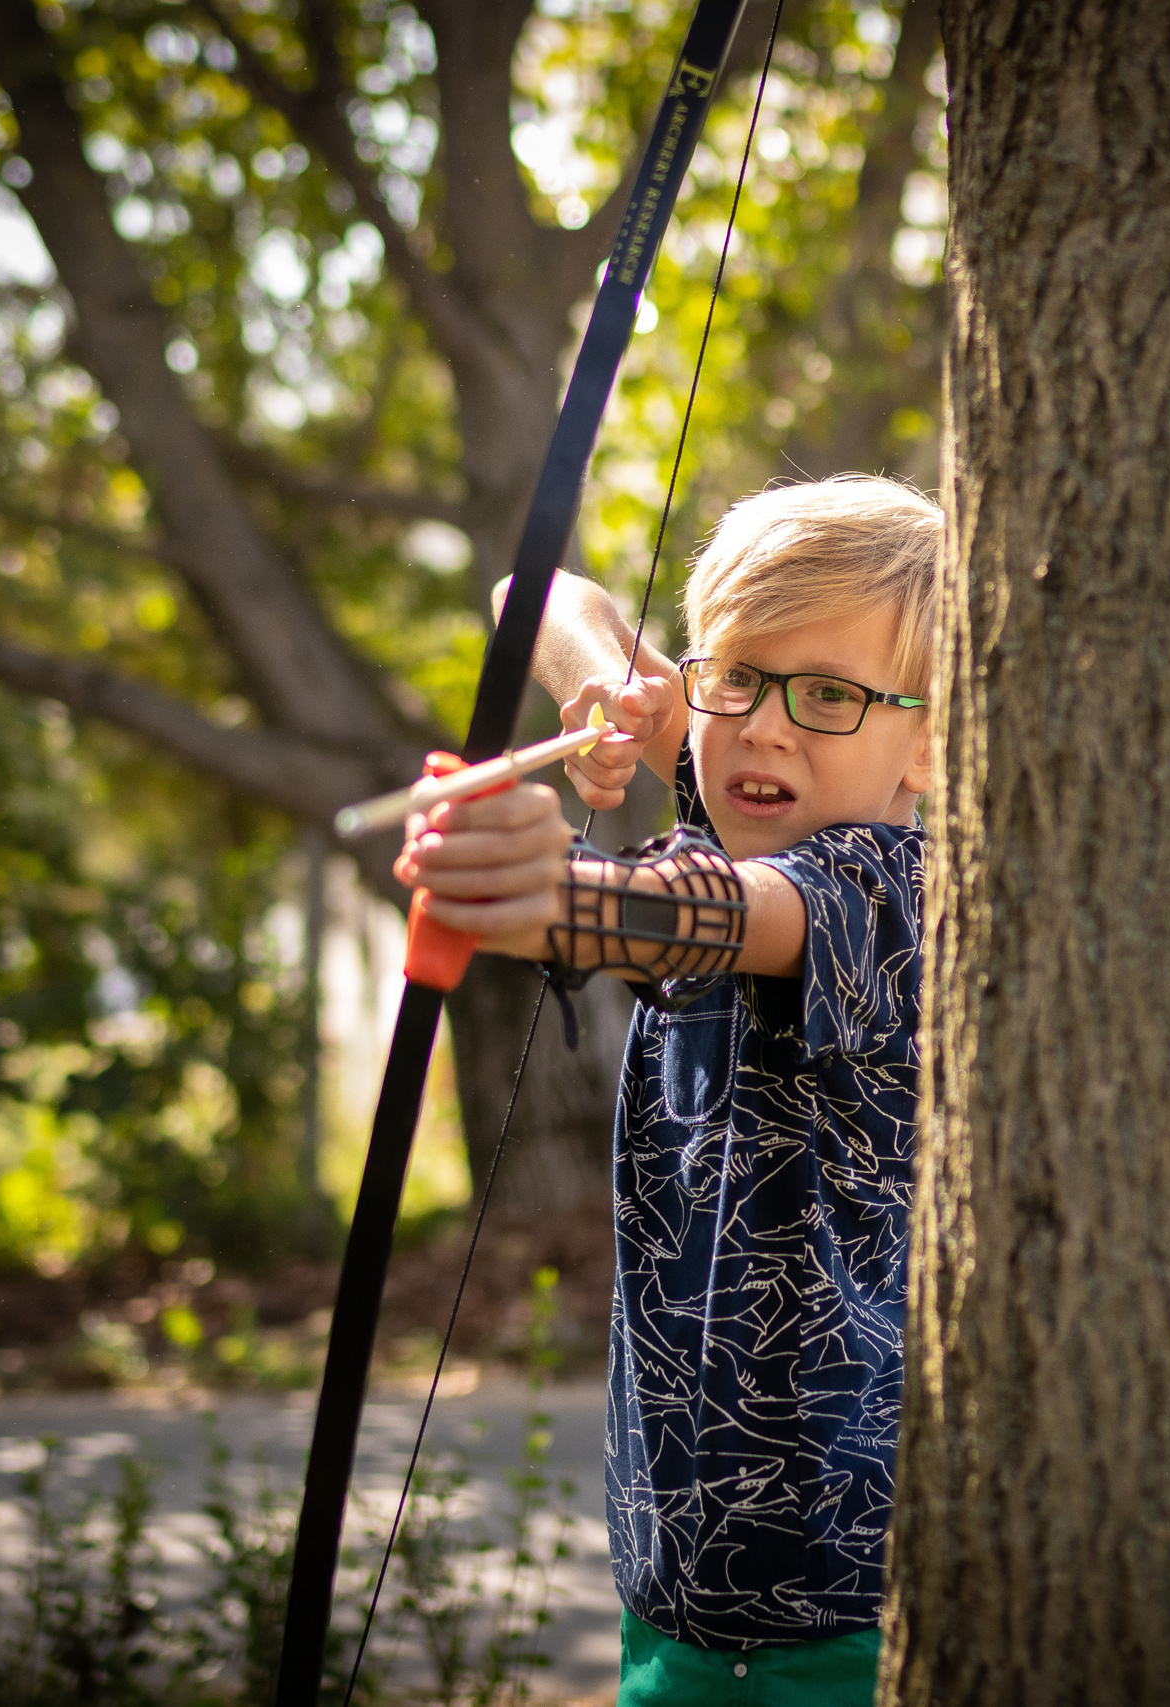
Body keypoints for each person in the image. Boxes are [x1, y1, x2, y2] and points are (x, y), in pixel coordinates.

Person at [394, 474, 939, 1706]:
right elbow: (531, 593)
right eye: (736, 676)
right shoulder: (737, 784)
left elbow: (711, 918)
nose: (768, 730)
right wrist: (611, 684)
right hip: (673, 1601)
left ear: (933, 742)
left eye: (832, 695)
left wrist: (553, 896)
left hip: (849, 1621)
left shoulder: (904, 886)